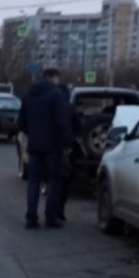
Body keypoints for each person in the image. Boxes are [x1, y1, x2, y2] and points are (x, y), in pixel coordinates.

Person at [17, 68, 71, 229]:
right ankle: (50, 217)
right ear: (55, 78)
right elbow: (62, 122)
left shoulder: (29, 95)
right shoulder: (57, 95)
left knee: (33, 182)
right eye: (57, 79)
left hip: (34, 145)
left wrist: (33, 134)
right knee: (54, 181)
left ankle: (31, 218)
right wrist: (68, 142)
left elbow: (21, 123)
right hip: (53, 147)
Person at [57, 84, 81, 221]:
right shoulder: (71, 108)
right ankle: (59, 210)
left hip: (53, 148)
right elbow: (79, 127)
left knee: (54, 180)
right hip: (68, 149)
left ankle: (52, 211)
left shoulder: (51, 107)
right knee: (65, 181)